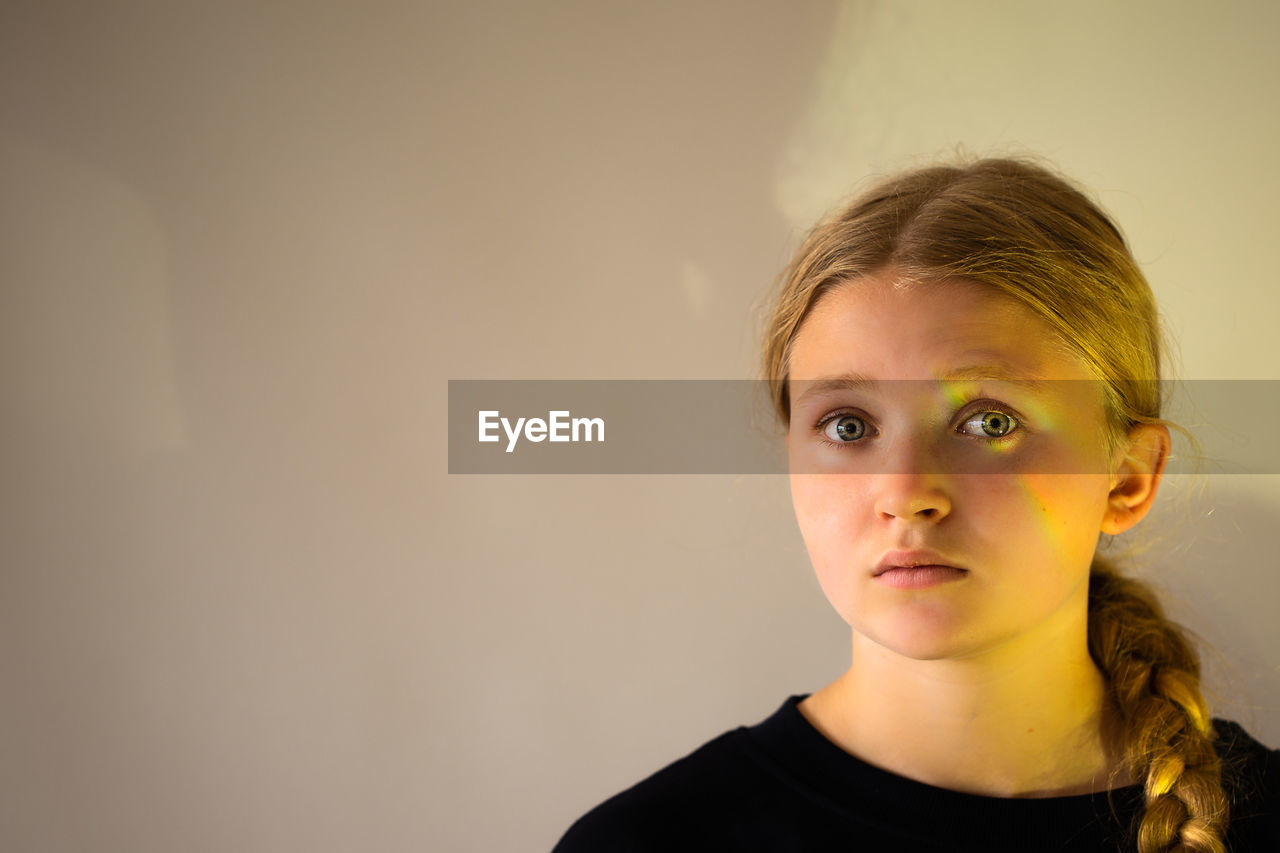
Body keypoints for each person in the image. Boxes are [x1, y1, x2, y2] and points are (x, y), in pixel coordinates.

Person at [551, 157, 1279, 852]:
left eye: (990, 421)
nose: (905, 494)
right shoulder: (645, 849)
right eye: (847, 426)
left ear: (1126, 479)